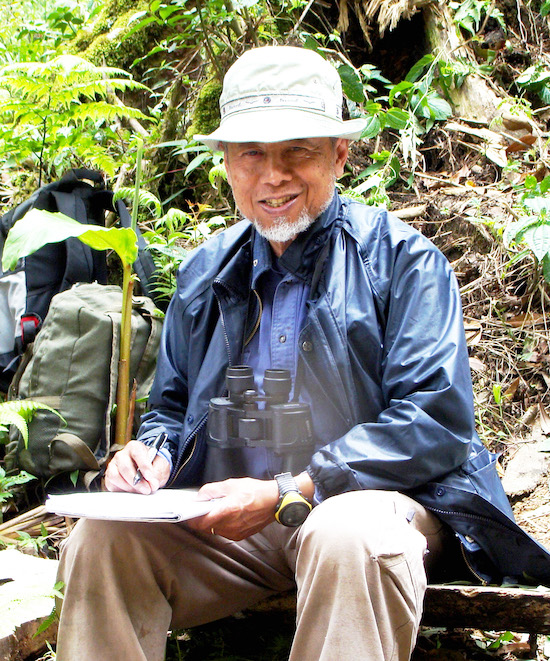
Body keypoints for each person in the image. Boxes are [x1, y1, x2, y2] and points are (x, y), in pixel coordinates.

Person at [55, 46, 550, 661]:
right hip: (241, 525)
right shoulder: (206, 272)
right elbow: (171, 410)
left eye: (299, 152)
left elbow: (435, 422)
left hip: (382, 511)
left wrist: (296, 489)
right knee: (103, 540)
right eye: (252, 154)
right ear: (226, 163)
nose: (274, 176)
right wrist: (148, 458)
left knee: (348, 536)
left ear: (339, 155)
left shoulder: (403, 262)